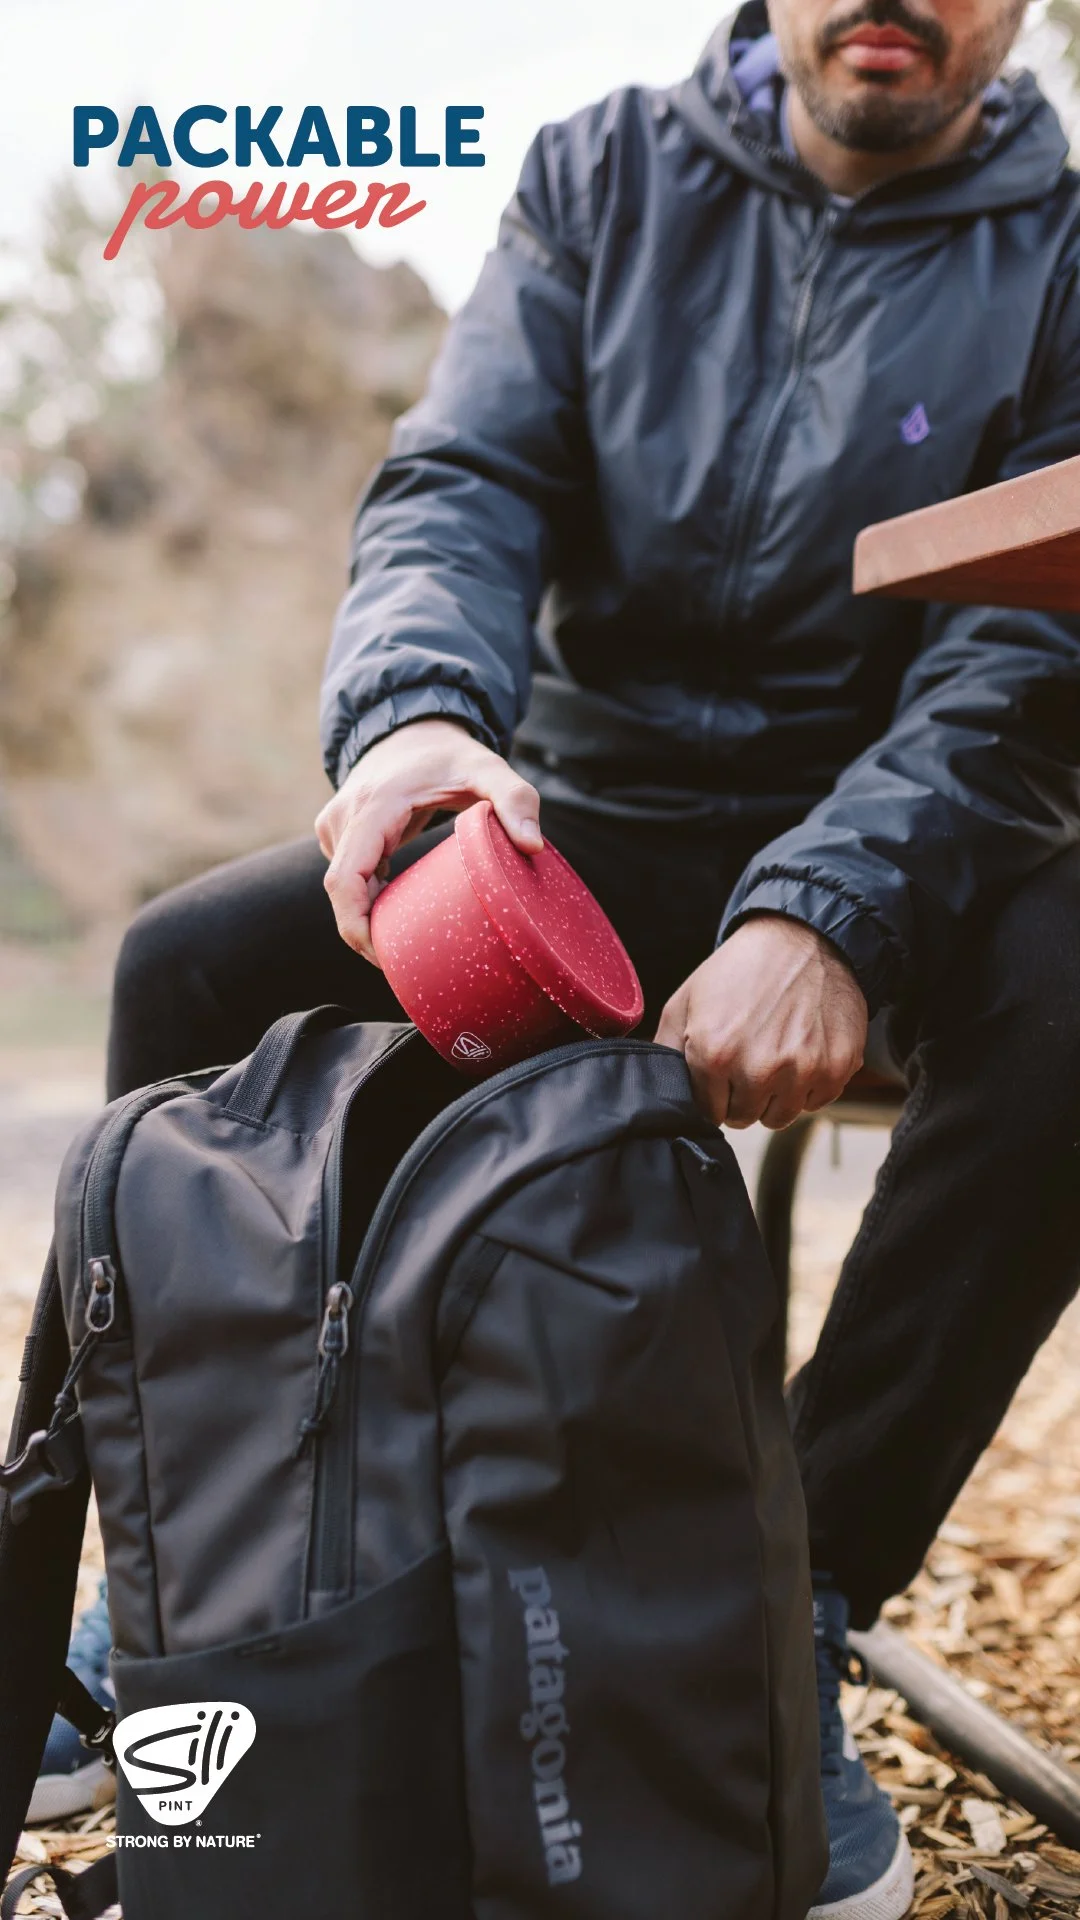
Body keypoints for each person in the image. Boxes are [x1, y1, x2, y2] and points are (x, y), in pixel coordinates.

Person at [38, 3, 1080, 1915]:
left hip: (889, 827)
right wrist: (420, 723)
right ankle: (187, 1560)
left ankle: (778, 1615)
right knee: (196, 968)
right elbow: (464, 486)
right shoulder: (599, 173)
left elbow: (1023, 654)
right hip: (572, 808)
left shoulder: (1066, 248)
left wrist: (826, 904)